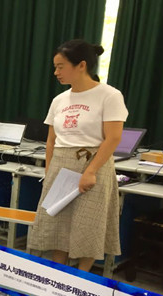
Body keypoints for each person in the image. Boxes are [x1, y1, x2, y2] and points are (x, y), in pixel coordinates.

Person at [27, 39, 128, 272]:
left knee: (89, 224)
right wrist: (49, 171)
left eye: (61, 66)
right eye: (55, 67)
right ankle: (57, 272)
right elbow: (51, 141)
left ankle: (80, 278)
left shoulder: (109, 95)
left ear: (81, 65)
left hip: (94, 165)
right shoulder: (59, 100)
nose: (56, 72)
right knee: (57, 222)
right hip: (61, 164)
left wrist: (90, 171)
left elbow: (113, 138)